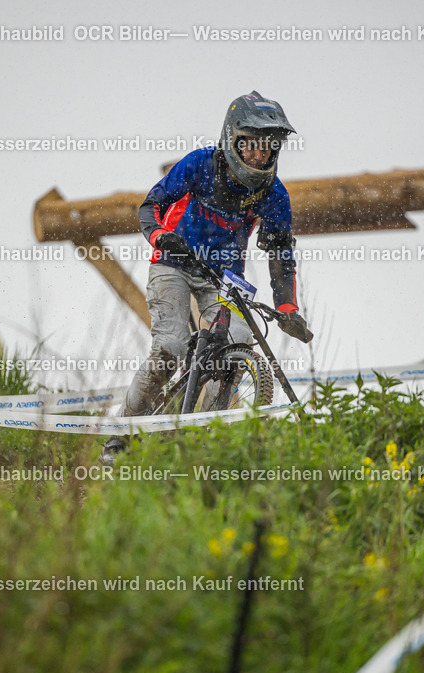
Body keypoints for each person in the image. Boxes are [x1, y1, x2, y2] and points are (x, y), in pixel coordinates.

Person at [101, 91, 312, 463]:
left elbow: (280, 250)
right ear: (232, 140)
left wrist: (288, 308)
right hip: (174, 264)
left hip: (223, 278)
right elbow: (152, 205)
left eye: (269, 147)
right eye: (251, 145)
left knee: (238, 342)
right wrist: (160, 235)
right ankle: (121, 434)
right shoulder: (200, 164)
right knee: (170, 347)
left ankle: (201, 436)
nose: (259, 155)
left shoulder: (274, 194)